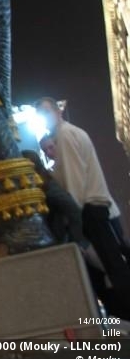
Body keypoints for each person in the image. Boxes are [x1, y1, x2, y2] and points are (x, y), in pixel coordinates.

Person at [34, 97, 130, 319]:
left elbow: (74, 185)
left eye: (47, 111)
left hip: (91, 212)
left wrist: (75, 228)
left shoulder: (65, 136)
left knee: (115, 273)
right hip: (97, 211)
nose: (45, 117)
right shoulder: (68, 134)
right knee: (112, 271)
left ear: (58, 111)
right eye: (42, 114)